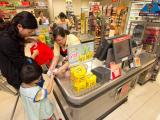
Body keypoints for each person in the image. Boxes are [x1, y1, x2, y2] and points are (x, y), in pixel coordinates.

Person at [0, 11, 38, 89]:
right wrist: (33, 56)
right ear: (19, 26)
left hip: (18, 66)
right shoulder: (7, 40)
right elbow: (20, 62)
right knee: (31, 92)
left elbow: (16, 40)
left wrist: (27, 39)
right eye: (29, 32)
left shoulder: (13, 31)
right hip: (15, 73)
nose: (31, 34)